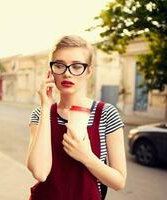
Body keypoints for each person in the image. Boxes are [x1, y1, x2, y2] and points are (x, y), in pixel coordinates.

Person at [26, 35, 127, 200]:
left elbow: (119, 182)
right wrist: (45, 106)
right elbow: (40, 172)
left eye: (76, 66)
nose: (67, 74)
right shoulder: (40, 114)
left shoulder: (107, 114)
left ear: (88, 71)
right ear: (51, 71)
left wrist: (85, 156)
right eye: (59, 65)